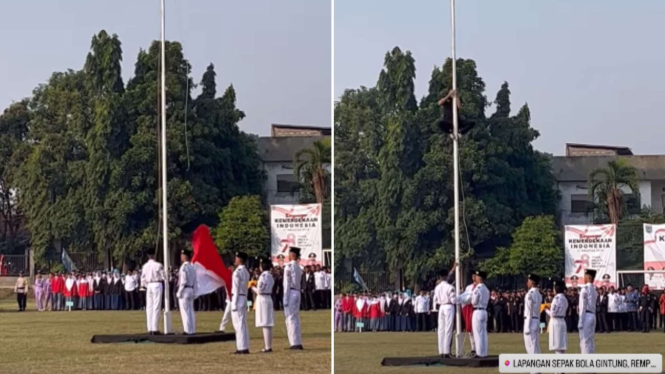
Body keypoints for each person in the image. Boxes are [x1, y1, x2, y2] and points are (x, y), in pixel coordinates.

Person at [545, 279, 568, 371]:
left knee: (557, 347)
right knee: (562, 347)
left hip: (556, 322)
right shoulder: (564, 298)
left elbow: (552, 313)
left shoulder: (556, 298)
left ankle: (558, 371)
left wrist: (545, 309)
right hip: (562, 321)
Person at [253, 258, 275, 352]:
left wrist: (252, 287)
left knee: (265, 323)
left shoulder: (263, 276)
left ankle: (267, 347)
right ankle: (268, 345)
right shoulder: (270, 275)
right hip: (268, 297)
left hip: (263, 298)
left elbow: (260, 290)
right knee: (268, 323)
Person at [284, 246, 304, 349]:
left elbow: (287, 283)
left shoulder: (289, 267)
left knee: (290, 318)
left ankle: (294, 343)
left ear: (292, 255)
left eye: (289, 254)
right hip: (297, 292)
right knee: (295, 318)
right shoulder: (299, 267)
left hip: (291, 292)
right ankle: (298, 341)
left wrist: (285, 297)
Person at [141, 249, 165, 334]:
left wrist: (146, 285)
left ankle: (150, 328)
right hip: (157, 284)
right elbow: (164, 277)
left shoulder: (145, 266)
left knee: (149, 307)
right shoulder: (158, 265)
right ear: (154, 255)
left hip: (149, 286)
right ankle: (155, 328)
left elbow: (142, 278)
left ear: (148, 256)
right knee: (156, 306)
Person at [231, 251, 250, 354]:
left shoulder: (237, 272)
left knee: (238, 325)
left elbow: (236, 289)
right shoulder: (246, 271)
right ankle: (244, 346)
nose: (235, 260)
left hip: (238, 298)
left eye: (236, 258)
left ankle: (241, 347)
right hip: (243, 298)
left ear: (240, 260)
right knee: (242, 323)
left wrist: (234, 303)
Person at [433, 268, 455, 358]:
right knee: (448, 329)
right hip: (449, 306)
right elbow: (453, 300)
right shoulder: (450, 287)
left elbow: (436, 300)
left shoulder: (437, 287)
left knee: (441, 330)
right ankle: (446, 351)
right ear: (446, 277)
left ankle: (441, 351)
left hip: (441, 307)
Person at [177, 249, 197, 335]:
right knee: (191, 310)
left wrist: (179, 292)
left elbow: (183, 281)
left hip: (185, 290)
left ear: (185, 256)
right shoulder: (192, 266)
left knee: (185, 311)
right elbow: (195, 280)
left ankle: (187, 330)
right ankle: (192, 330)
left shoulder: (184, 267)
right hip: (191, 289)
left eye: (182, 255)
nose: (181, 257)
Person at [523, 274, 542, 362]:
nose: (527, 282)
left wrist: (527, 326)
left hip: (530, 321)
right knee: (535, 345)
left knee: (531, 346)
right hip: (536, 319)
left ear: (532, 282)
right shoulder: (538, 294)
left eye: (529, 280)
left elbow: (529, 311)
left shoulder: (529, 294)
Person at [578, 269, 598, 353]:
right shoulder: (594, 290)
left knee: (584, 340)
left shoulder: (585, 289)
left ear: (588, 277)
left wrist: (580, 320)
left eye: (584, 276)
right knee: (590, 340)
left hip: (586, 315)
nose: (584, 278)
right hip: (593, 315)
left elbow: (583, 306)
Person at [216, 265, 234, 333]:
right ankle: (221, 328)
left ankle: (222, 328)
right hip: (230, 300)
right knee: (226, 314)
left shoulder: (233, 277)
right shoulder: (227, 277)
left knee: (229, 315)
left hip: (233, 299)